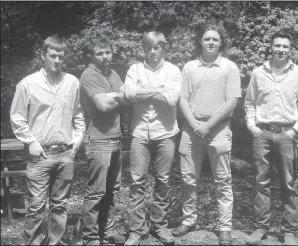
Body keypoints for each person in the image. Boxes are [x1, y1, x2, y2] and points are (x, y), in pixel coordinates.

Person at [10, 35, 85, 245]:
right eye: (53, 55)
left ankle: (55, 241)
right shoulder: (28, 84)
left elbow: (79, 114)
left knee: (60, 204)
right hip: (40, 154)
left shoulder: (72, 83)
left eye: (61, 56)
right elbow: (17, 116)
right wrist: (31, 142)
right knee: (36, 206)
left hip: (65, 153)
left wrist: (77, 141)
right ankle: (32, 242)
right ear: (43, 56)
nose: (57, 60)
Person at [171, 23, 242, 245]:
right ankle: (189, 220)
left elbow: (232, 102)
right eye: (207, 39)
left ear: (221, 43)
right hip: (191, 130)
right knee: (188, 178)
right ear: (200, 42)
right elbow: (182, 99)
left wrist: (208, 125)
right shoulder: (189, 67)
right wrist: (194, 125)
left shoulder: (229, 68)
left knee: (222, 180)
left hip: (219, 130)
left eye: (215, 39)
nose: (211, 42)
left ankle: (224, 228)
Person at [244, 31, 298, 245]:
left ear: (290, 50)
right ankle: (260, 228)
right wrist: (251, 126)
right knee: (260, 181)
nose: (281, 50)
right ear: (270, 47)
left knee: (288, 182)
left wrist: (296, 130)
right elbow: (249, 103)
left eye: (285, 46)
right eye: (277, 46)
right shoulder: (257, 73)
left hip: (287, 133)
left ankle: (289, 231)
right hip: (261, 133)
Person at [121, 31, 182, 245]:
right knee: (137, 182)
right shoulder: (134, 69)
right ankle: (136, 231)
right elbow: (129, 94)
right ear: (143, 49)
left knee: (163, 181)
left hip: (165, 133)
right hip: (140, 133)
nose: (153, 51)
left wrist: (142, 91)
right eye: (149, 47)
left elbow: (171, 99)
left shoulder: (173, 70)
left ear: (163, 48)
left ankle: (160, 226)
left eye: (157, 47)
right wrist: (158, 90)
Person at [79, 34, 126, 245]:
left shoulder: (114, 74)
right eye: (100, 53)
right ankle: (89, 237)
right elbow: (104, 106)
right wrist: (120, 96)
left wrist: (116, 96)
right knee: (95, 193)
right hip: (98, 140)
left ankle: (108, 231)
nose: (105, 56)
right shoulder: (89, 75)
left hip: (116, 138)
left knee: (112, 191)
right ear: (92, 55)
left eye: (108, 52)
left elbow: (128, 96)